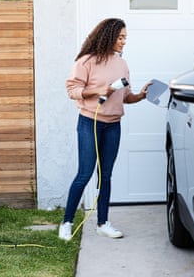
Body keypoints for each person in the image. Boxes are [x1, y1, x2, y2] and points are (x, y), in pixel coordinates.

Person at [59, 18, 150, 240]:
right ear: (108, 36)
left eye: (125, 38)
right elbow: (72, 89)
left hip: (113, 125)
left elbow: (125, 97)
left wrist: (140, 96)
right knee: (85, 173)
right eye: (120, 37)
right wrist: (100, 89)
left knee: (106, 175)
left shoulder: (122, 64)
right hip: (89, 122)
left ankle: (103, 223)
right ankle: (67, 223)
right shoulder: (86, 61)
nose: (123, 42)